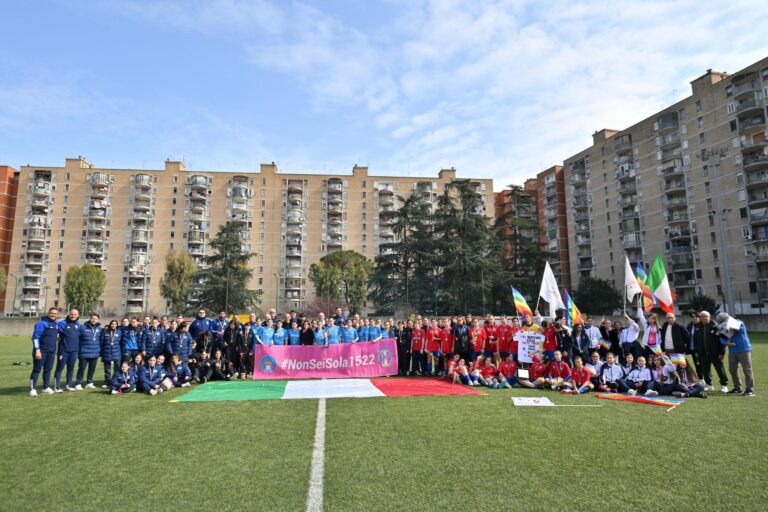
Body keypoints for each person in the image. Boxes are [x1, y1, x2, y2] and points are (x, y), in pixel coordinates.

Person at [716, 312, 754, 396]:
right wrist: (726, 343)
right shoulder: (724, 326)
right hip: (732, 350)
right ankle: (737, 388)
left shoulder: (738, 322)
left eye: (721, 321)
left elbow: (739, 328)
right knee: (732, 369)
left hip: (743, 349)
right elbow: (721, 338)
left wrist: (726, 328)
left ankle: (750, 390)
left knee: (747, 370)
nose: (720, 323)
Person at [29, 307, 60, 396]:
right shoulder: (42, 323)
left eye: (55, 313)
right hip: (41, 351)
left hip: (52, 351)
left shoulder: (56, 324)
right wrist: (37, 350)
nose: (53, 314)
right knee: (37, 369)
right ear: (48, 313)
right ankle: (33, 389)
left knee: (48, 370)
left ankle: (45, 387)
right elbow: (35, 337)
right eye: (52, 313)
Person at [695, 311, 728, 393]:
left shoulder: (716, 327)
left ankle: (724, 385)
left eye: (705, 316)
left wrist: (722, 353)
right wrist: (697, 351)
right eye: (702, 316)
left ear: (709, 317)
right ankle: (709, 384)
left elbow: (723, 341)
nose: (703, 318)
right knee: (706, 370)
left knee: (720, 369)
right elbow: (696, 340)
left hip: (715, 353)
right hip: (703, 353)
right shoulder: (698, 327)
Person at [54, 308, 84, 392]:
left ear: (78, 315)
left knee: (71, 368)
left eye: (75, 314)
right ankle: (57, 387)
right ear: (69, 314)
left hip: (74, 351)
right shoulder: (62, 323)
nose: (73, 316)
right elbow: (53, 332)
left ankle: (68, 385)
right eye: (72, 314)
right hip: (63, 351)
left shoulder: (79, 325)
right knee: (60, 368)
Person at [76, 313, 102, 390]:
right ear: (90, 319)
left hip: (95, 352)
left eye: (96, 319)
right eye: (93, 318)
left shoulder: (99, 329)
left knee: (92, 369)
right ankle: (78, 383)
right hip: (84, 352)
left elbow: (100, 340)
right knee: (81, 368)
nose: (94, 320)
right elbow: (78, 339)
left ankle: (89, 382)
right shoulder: (83, 327)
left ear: (98, 320)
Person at [100, 320, 122, 389]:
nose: (113, 325)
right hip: (107, 353)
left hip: (117, 353)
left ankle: (114, 382)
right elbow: (101, 342)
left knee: (117, 369)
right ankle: (108, 383)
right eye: (112, 324)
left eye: (115, 324)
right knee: (107, 370)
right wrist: (101, 353)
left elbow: (121, 342)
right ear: (110, 324)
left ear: (117, 325)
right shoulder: (105, 332)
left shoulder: (119, 332)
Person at [686, 312, 704, 377]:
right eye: (692, 317)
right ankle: (700, 377)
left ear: (699, 317)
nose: (694, 318)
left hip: (701, 349)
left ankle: (705, 378)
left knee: (702, 364)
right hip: (692, 348)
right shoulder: (690, 326)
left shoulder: (702, 325)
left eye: (696, 316)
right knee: (697, 363)